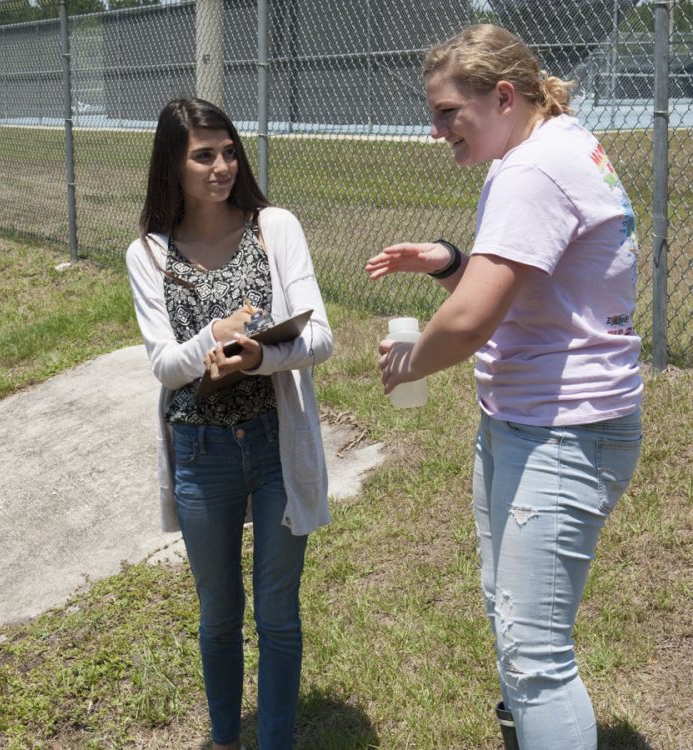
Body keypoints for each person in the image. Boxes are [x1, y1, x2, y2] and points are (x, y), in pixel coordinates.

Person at [364, 25, 642, 750]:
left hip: (560, 432)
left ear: (505, 96)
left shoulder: (532, 170)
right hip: (538, 420)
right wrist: (450, 260)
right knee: (513, 619)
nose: (435, 131)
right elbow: (524, 287)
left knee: (536, 658)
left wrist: (409, 364)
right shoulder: (552, 145)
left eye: (448, 111)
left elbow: (472, 319)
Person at [126, 98, 333, 750]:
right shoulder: (149, 254)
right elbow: (165, 366)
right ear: (172, 164)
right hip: (199, 447)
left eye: (228, 151)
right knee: (218, 614)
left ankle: (274, 740)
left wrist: (261, 355)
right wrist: (210, 342)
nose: (221, 166)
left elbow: (320, 337)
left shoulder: (274, 227)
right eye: (203, 155)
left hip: (275, 439)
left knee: (277, 612)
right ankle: (224, 738)